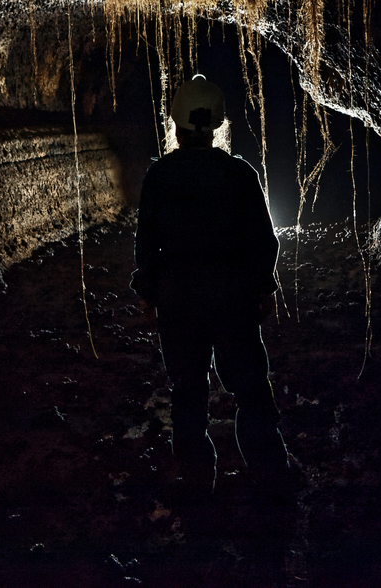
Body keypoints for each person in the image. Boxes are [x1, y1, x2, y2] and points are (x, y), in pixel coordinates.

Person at [131, 74, 291, 499]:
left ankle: (198, 480)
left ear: (177, 126)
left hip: (179, 301)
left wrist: (149, 293)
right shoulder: (239, 175)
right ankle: (270, 475)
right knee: (251, 389)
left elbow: (146, 243)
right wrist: (262, 288)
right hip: (232, 299)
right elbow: (263, 240)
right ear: (218, 125)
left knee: (187, 391)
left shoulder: (160, 176)